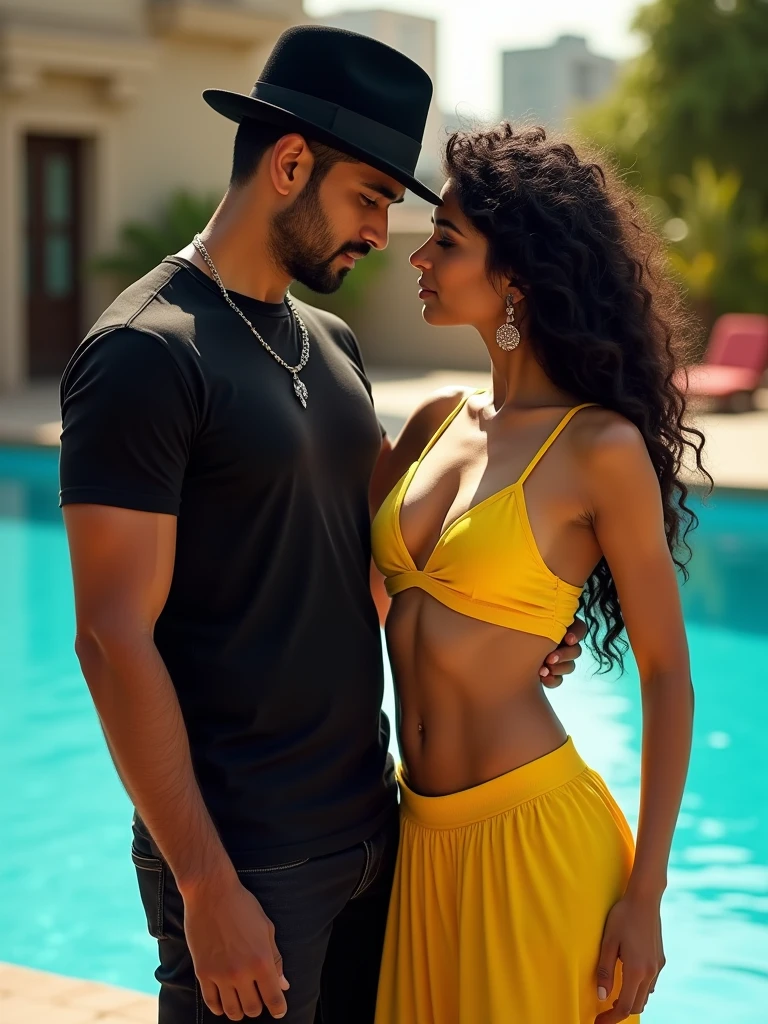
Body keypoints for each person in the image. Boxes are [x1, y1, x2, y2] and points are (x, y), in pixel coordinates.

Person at [58, 29, 585, 1024]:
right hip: (247, 861)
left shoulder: (332, 346)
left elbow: (374, 564)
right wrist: (209, 888)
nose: (383, 232)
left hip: (372, 833)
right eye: (371, 197)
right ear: (291, 162)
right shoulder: (145, 354)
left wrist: (502, 631)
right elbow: (110, 639)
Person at [370, 123, 705, 1024]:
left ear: (514, 273)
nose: (421, 260)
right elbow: (367, 600)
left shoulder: (601, 449)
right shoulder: (432, 421)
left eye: (446, 241)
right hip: (419, 843)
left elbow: (668, 676)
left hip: (536, 843)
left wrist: (647, 895)